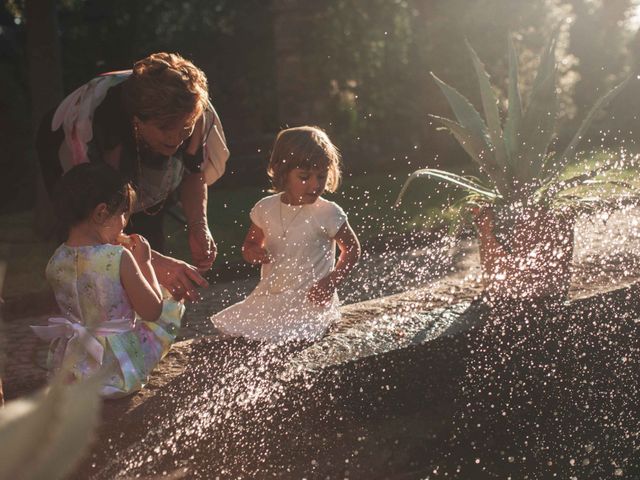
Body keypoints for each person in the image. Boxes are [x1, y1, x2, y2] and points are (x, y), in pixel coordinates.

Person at [36, 52, 230, 301]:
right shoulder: (102, 124)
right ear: (138, 120)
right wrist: (153, 262)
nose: (175, 138)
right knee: (92, 249)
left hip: (138, 156)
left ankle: (148, 323)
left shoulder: (193, 110)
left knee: (148, 241)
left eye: (184, 129)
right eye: (164, 129)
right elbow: (96, 218)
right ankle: (96, 320)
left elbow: (194, 171)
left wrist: (198, 226)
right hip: (70, 152)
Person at [31, 163, 184, 398]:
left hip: (75, 365)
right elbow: (152, 310)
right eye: (123, 213)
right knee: (166, 305)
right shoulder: (117, 257)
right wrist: (144, 262)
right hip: (117, 364)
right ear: (101, 213)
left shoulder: (55, 260)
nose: (125, 221)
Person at [211, 126, 361, 342]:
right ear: (281, 171)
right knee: (242, 332)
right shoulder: (266, 208)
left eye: (321, 175)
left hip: (312, 300)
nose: (315, 184)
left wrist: (331, 281)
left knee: (295, 337)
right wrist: (253, 252)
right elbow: (250, 244)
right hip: (273, 294)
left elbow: (352, 249)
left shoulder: (327, 212)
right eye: (304, 176)